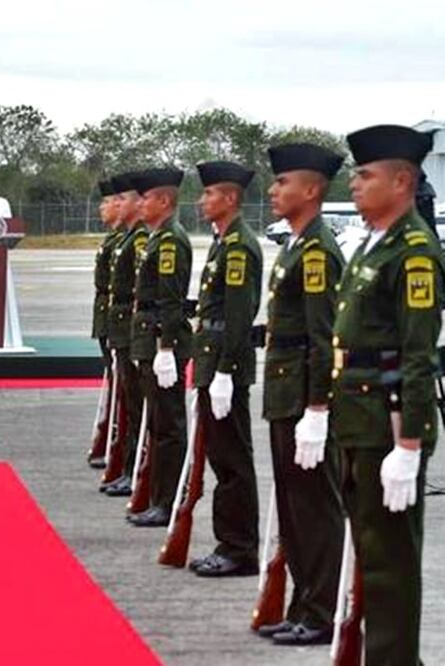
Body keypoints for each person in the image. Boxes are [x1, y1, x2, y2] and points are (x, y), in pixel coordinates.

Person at [331, 124, 440, 663]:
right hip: (359, 420)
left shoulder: (413, 252)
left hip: (386, 427)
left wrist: (409, 444)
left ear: (401, 182)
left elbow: (415, 356)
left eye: (366, 175)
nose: (354, 183)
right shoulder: (373, 243)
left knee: (389, 564)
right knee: (371, 555)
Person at [254, 143, 346, 645]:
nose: (273, 190)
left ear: (310, 190)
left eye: (282, 182)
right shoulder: (296, 244)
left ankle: (320, 611)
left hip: (303, 397)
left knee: (314, 508)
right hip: (285, 392)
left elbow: (323, 336)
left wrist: (318, 407)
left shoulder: (317, 252)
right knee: (294, 506)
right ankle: (302, 603)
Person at [185, 161, 263, 577]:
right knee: (222, 457)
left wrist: (226, 371)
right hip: (213, 358)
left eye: (209, 193)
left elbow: (237, 314)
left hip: (224, 363)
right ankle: (230, 543)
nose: (202, 200)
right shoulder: (223, 242)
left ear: (230, 198)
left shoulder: (238, 246)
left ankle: (238, 548)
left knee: (232, 460)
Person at [126, 167, 192, 527]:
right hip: (149, 339)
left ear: (164, 201)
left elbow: (170, 300)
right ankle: (157, 497)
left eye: (147, 198)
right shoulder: (157, 238)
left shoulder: (170, 241)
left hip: (161, 342)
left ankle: (168, 501)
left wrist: (166, 347)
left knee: (168, 426)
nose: (141, 204)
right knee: (157, 423)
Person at [101, 172, 149, 497]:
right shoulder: (127, 238)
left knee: (137, 404)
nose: (114, 205)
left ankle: (137, 470)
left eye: (121, 199)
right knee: (128, 401)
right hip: (120, 322)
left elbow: (139, 289)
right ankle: (129, 467)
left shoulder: (141, 239)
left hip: (132, 327)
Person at [87, 179, 123, 467]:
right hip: (108, 315)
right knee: (115, 380)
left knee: (123, 388)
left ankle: (119, 445)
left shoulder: (128, 240)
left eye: (107, 201)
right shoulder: (115, 238)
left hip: (119, 320)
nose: (102, 207)